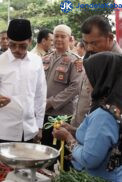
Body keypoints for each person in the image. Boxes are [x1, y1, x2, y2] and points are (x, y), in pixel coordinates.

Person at [53, 52, 122, 182]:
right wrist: (74, 130)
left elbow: (89, 159)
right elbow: (102, 139)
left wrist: (68, 137)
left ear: (101, 77)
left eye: (88, 74)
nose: (85, 80)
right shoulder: (114, 105)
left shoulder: (103, 116)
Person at [0, 19, 47, 144]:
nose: (17, 49)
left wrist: (39, 126)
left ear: (30, 41)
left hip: (29, 130)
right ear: (8, 40)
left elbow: (40, 96)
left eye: (22, 46)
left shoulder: (36, 61)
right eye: (12, 45)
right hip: (3, 131)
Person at [41, 25, 82, 170]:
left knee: (63, 156)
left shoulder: (75, 60)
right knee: (46, 154)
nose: (58, 39)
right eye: (56, 36)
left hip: (62, 117)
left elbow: (75, 87)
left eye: (62, 36)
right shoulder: (45, 58)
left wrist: (51, 102)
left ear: (70, 39)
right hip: (44, 114)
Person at [71, 15, 122, 128]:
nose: (89, 48)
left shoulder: (118, 66)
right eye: (85, 43)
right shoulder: (91, 56)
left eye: (94, 43)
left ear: (109, 38)